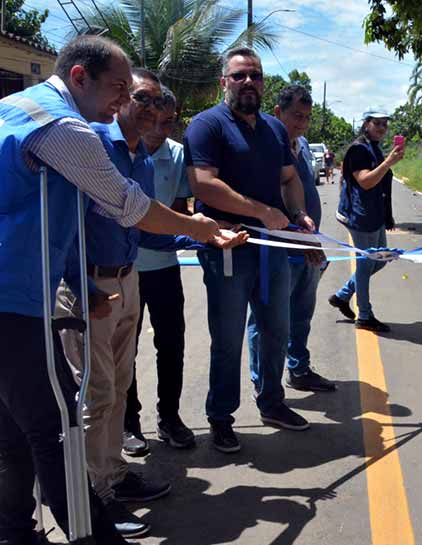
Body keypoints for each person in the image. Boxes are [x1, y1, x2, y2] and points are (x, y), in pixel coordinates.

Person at [0, 35, 219, 545]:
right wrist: (201, 229)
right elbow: (130, 206)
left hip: (20, 294)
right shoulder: (65, 129)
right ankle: (94, 535)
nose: (124, 100)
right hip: (13, 299)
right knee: (54, 427)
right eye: (119, 88)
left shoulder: (15, 107)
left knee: (12, 432)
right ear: (80, 77)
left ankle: (12, 531)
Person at [57, 67, 246, 538]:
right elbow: (64, 224)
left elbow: (147, 225)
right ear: (118, 100)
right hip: (92, 287)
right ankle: (91, 498)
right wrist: (81, 287)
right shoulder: (95, 145)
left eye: (157, 102)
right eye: (139, 98)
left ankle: (114, 476)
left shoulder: (140, 158)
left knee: (118, 388)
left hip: (127, 280)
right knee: (93, 396)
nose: (150, 109)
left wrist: (209, 236)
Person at [184, 47, 317, 453]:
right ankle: (220, 417)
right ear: (224, 81)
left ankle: (272, 402)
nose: (248, 82)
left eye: (255, 76)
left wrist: (297, 213)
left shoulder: (275, 131)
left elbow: (289, 178)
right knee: (227, 339)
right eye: (239, 75)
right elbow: (203, 185)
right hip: (227, 248)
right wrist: (262, 211)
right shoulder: (207, 126)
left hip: (273, 248)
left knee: (276, 329)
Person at [123, 85, 196, 456]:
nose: (159, 128)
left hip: (165, 268)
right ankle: (128, 423)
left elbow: (181, 213)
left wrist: (197, 234)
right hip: (125, 270)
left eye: (168, 121)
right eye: (153, 119)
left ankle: (170, 418)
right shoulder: (117, 150)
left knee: (171, 344)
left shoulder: (179, 155)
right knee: (125, 350)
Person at [248, 85, 335, 393]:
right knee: (266, 321)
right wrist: (300, 239)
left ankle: (298, 368)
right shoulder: (262, 148)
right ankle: (263, 385)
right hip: (279, 251)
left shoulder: (303, 145)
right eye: (296, 116)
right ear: (277, 113)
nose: (302, 123)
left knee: (301, 316)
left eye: (307, 117)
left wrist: (313, 241)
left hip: (309, 250)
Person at [330, 108, 404, 333]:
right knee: (365, 264)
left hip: (376, 215)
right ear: (366, 124)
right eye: (377, 123)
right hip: (360, 216)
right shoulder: (358, 150)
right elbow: (365, 182)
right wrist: (389, 162)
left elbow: (382, 184)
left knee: (379, 260)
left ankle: (343, 295)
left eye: (385, 124)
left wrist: (388, 214)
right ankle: (364, 314)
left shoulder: (375, 148)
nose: (382, 128)